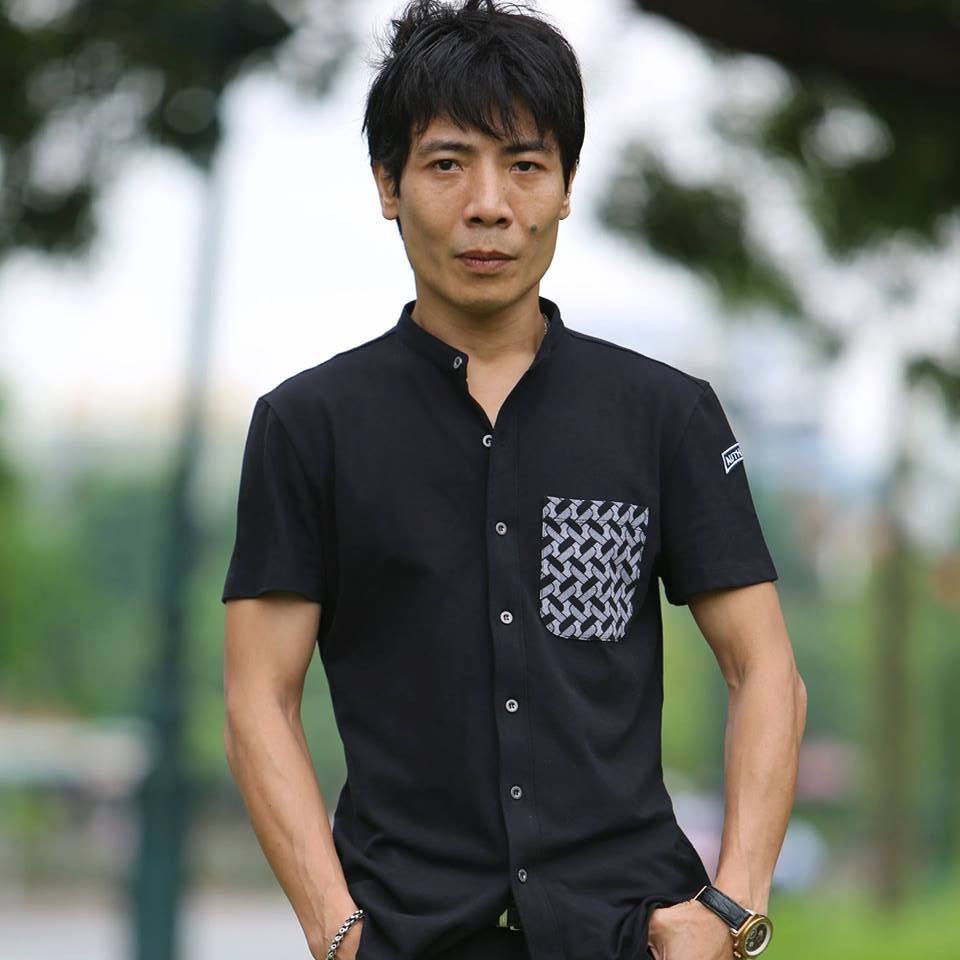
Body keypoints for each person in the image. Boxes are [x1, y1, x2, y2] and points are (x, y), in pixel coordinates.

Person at [221, 2, 807, 959]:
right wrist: (338, 934)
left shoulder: (665, 415)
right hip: (406, 936)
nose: (488, 205)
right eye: (448, 164)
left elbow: (765, 668)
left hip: (629, 932)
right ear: (387, 185)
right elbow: (259, 697)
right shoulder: (308, 427)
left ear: (566, 185)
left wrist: (733, 909)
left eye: (525, 164)